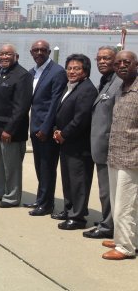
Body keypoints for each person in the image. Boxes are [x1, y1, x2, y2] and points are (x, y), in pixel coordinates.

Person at [0, 44, 33, 207]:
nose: (4, 57)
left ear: (16, 56)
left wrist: (9, 129)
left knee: (11, 166)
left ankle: (11, 197)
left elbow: (21, 107)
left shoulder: (22, 75)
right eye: (2, 54)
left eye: (8, 54)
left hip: (9, 130)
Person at [52, 54, 98, 229]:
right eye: (69, 68)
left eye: (76, 68)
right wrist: (57, 130)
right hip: (66, 143)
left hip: (79, 145)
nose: (72, 71)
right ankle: (69, 209)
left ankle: (78, 217)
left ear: (85, 71)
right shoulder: (69, 87)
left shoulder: (87, 89)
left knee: (79, 181)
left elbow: (81, 118)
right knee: (68, 179)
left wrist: (64, 133)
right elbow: (61, 111)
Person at [101, 50, 138, 260]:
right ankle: (124, 238)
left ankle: (125, 248)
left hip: (132, 157)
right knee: (118, 203)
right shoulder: (120, 89)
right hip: (115, 154)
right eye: (118, 63)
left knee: (126, 205)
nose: (121, 66)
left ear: (136, 64)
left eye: (126, 62)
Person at [84, 46, 122, 239]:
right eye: (98, 58)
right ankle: (108, 220)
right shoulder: (105, 81)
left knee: (109, 192)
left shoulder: (121, 82)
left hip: (111, 148)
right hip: (99, 146)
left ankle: (109, 227)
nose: (101, 62)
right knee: (105, 190)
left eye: (106, 58)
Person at [25, 40, 67, 216]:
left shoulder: (57, 72)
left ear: (49, 52)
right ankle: (41, 198)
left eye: (43, 50)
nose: (39, 52)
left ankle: (47, 204)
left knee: (48, 167)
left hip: (46, 129)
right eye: (36, 50)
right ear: (31, 53)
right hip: (35, 127)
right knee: (39, 166)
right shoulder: (32, 72)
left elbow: (54, 103)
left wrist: (46, 128)